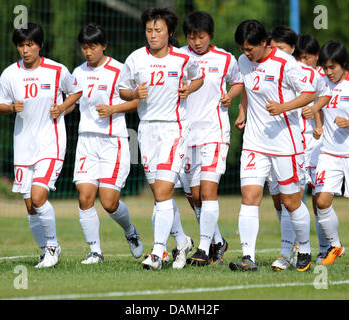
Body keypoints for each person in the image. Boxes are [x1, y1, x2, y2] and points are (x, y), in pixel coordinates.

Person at [118, 7, 203, 270]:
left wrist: (189, 87)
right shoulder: (135, 59)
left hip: (174, 130)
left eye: (158, 30)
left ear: (169, 32)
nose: (153, 35)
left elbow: (198, 77)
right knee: (159, 193)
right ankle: (182, 239)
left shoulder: (181, 58)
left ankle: (157, 252)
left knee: (164, 190)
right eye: (149, 30)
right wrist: (134, 93)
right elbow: (122, 90)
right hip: (147, 131)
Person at [0, 22, 82, 268]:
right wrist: (10, 108)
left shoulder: (56, 70)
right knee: (31, 206)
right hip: (23, 147)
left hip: (50, 144)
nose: (25, 50)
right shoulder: (10, 74)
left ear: (39, 45)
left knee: (39, 195)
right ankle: (46, 251)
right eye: (21, 45)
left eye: (30, 44)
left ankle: (52, 247)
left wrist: (62, 107)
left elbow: (76, 91)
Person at [230, 20, 315, 272]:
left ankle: (305, 249)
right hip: (255, 143)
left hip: (285, 143)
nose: (246, 54)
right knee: (249, 197)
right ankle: (248, 258)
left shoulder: (286, 64)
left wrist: (283, 107)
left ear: (264, 43)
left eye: (250, 49)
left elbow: (309, 93)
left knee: (290, 201)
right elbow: (245, 84)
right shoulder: (244, 61)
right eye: (243, 49)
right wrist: (242, 111)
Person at [70, 23, 143, 264]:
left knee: (109, 202)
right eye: (84, 48)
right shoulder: (78, 73)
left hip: (114, 142)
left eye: (92, 47)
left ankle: (130, 231)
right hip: (86, 141)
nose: (88, 52)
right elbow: (74, 101)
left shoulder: (119, 70)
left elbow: (136, 102)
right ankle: (95, 252)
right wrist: (61, 108)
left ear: (104, 46)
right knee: (84, 197)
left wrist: (113, 109)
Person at [179, 11, 243, 266]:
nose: (196, 42)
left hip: (214, 132)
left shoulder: (225, 58)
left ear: (210, 35)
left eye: (201, 36)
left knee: (208, 191)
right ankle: (218, 240)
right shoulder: (179, 57)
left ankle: (204, 249)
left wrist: (231, 95)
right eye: (192, 37)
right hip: (185, 134)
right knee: (194, 196)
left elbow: (238, 83)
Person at [266, 26, 331, 271]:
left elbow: (321, 98)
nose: (276, 53)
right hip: (273, 141)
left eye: (281, 49)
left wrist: (315, 119)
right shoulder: (276, 68)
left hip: (302, 142)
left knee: (297, 197)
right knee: (280, 199)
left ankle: (302, 249)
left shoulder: (309, 74)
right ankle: (294, 247)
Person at [310, 40, 349, 266]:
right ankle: (335, 246)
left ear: (344, 64)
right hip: (329, 152)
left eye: (332, 67)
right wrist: (318, 126)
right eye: (325, 67)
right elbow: (318, 106)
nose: (328, 72)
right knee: (322, 201)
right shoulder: (321, 82)